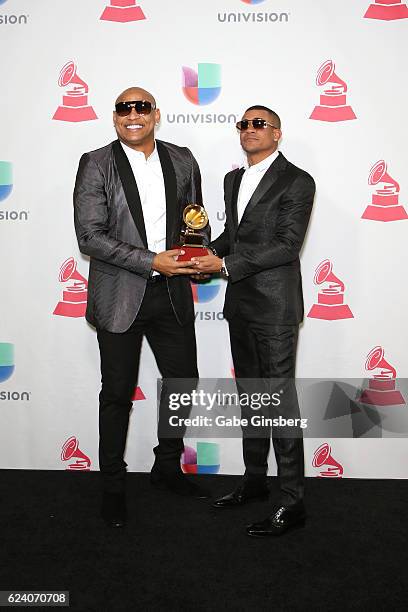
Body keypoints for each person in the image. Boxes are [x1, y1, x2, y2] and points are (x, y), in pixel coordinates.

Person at [74, 87, 209, 528]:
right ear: (115, 118)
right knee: (116, 395)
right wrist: (152, 261)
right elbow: (89, 236)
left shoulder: (183, 158)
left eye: (142, 107)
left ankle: (167, 466)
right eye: (124, 109)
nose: (133, 115)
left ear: (156, 114)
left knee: (182, 382)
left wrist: (197, 261)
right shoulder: (96, 163)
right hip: (120, 294)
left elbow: (196, 220)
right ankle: (112, 485)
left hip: (171, 294)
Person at [191, 105, 315, 537]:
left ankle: (292, 502)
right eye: (243, 124)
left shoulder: (297, 180)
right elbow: (234, 239)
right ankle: (254, 481)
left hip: (276, 310)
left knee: (279, 404)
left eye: (258, 123)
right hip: (240, 307)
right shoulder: (233, 179)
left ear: (277, 134)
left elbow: (287, 245)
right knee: (253, 401)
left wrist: (224, 266)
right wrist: (202, 259)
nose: (249, 130)